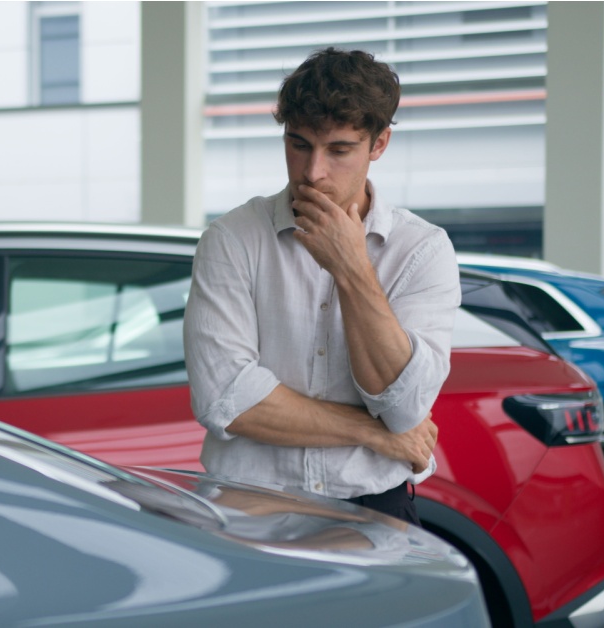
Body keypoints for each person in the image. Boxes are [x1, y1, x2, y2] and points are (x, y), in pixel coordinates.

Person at [183, 47, 461, 525]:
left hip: (375, 511)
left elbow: (405, 407)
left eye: (338, 150)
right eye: (298, 144)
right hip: (248, 508)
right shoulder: (231, 240)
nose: (312, 172)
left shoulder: (422, 250)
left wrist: (352, 268)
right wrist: (373, 433)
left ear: (378, 145)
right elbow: (225, 399)